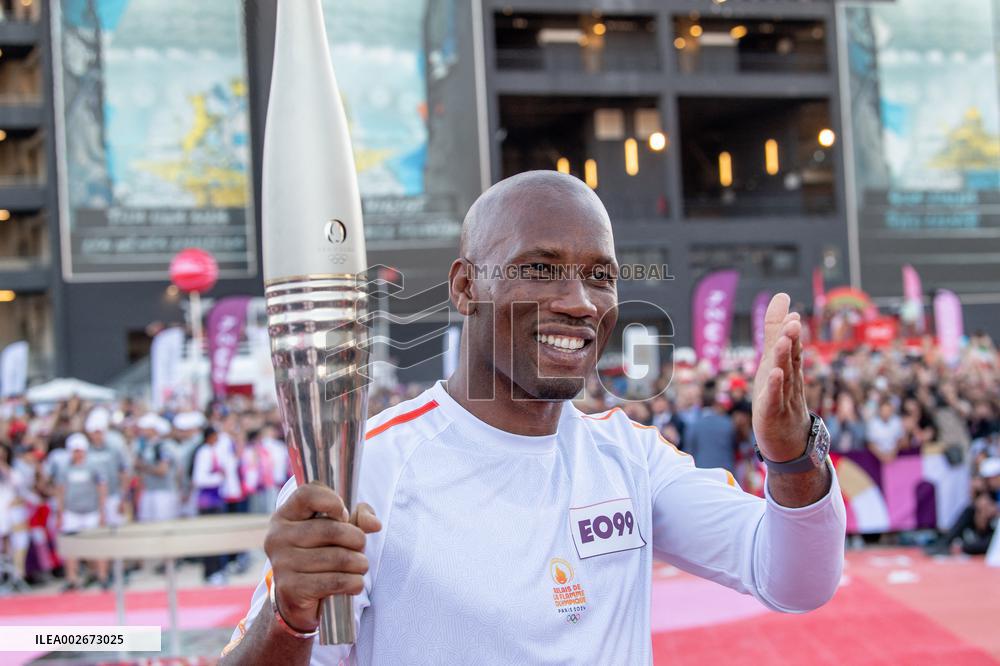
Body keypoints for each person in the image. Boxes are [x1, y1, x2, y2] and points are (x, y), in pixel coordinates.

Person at [220, 171, 846, 664]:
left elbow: (794, 580)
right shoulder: (368, 473)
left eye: (599, 276)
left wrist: (793, 456)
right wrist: (291, 613)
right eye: (539, 268)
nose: (578, 302)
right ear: (466, 286)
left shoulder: (632, 457)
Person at [54, 433, 108, 590]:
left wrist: (102, 510)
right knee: (71, 547)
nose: (77, 454)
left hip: (91, 510)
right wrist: (61, 512)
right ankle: (72, 578)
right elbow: (61, 490)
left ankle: (102, 575)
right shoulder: (65, 468)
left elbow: (102, 488)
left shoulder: (94, 466)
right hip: (72, 511)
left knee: (97, 546)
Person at [191, 426, 229, 585]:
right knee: (210, 537)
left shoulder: (214, 452)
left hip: (216, 498)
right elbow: (198, 479)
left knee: (217, 536)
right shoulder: (204, 453)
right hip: (207, 500)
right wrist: (218, 478)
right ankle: (211, 571)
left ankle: (217, 569)